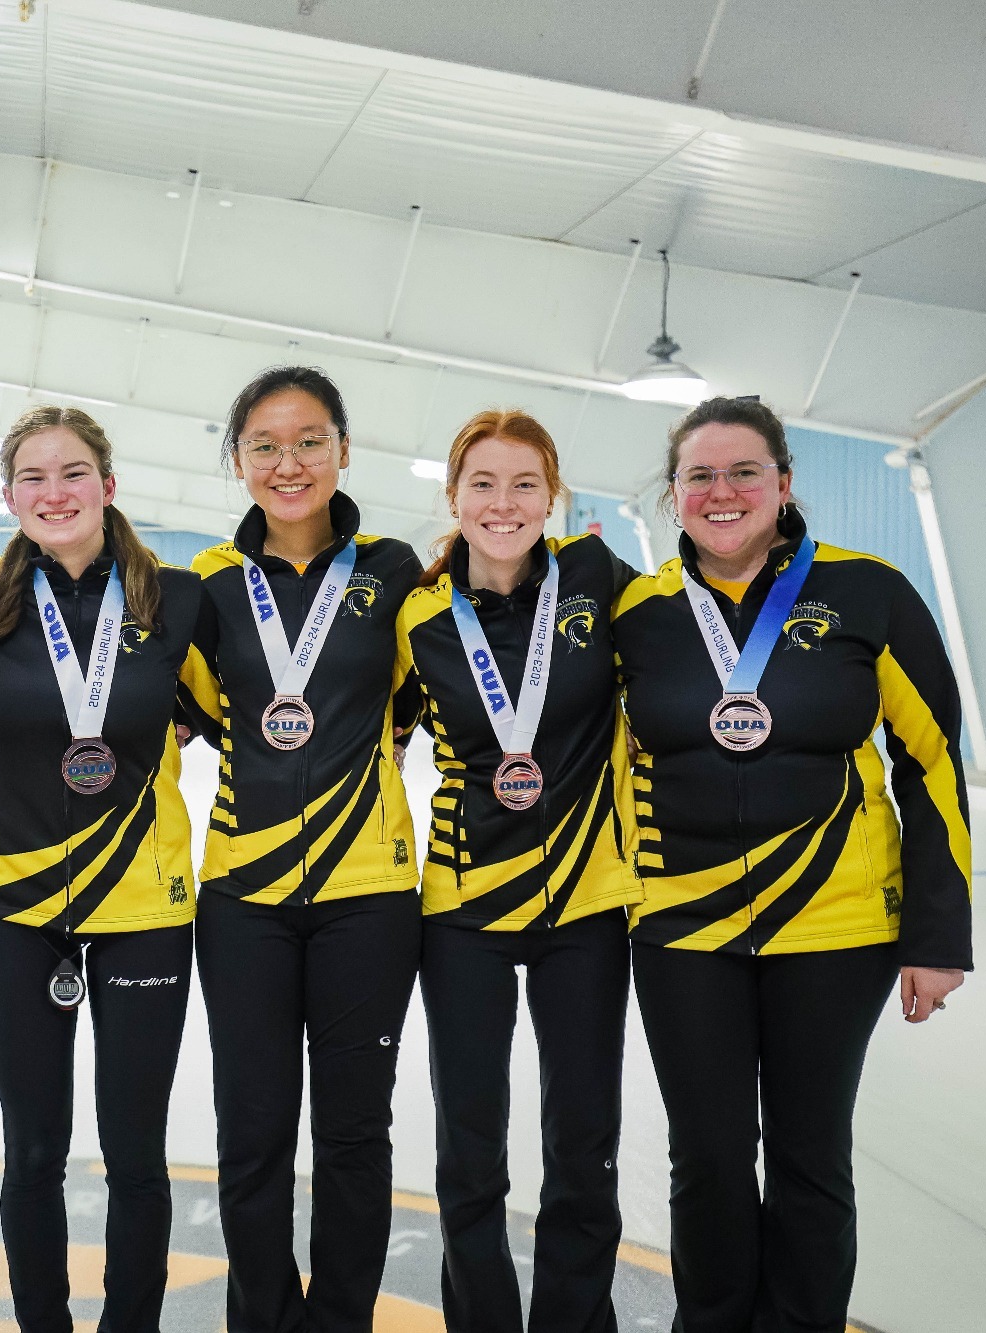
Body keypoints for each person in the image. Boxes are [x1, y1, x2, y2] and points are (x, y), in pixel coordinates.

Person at [611, 395, 971, 1333]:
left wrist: (937, 935)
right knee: (711, 1156)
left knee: (813, 1157)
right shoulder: (638, 614)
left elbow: (931, 760)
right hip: (685, 928)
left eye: (743, 472)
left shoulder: (870, 592)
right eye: (699, 475)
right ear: (673, 493)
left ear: (783, 483)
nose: (721, 492)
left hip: (836, 925)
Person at [0, 406, 210, 1333]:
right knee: (33, 1150)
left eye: (73, 473)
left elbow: (234, 706)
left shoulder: (179, 597)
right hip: (16, 903)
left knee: (135, 1151)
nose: (54, 493)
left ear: (108, 483)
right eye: (33, 478)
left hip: (146, 901)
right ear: (10, 495)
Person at [185, 365, 423, 1333]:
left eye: (309, 440)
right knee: (250, 1135)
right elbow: (195, 706)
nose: (288, 464)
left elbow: (417, 696)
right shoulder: (204, 584)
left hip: (367, 895)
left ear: (342, 449)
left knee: (354, 1135)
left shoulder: (395, 570)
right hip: (243, 896)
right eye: (265, 445)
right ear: (237, 459)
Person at [394, 409, 640, 1333]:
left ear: (555, 495)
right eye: (484, 485)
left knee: (584, 1146)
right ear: (453, 496)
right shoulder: (417, 616)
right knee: (471, 1149)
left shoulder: (597, 581)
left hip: (586, 906)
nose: (504, 504)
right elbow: (366, 729)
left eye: (524, 484)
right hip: (463, 910)